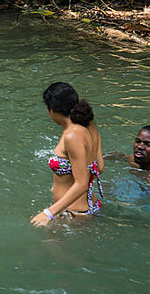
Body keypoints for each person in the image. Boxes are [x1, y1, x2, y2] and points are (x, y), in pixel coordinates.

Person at [31, 82, 104, 226]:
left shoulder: (72, 136)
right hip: (86, 207)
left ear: (51, 110)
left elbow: (82, 184)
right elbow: (100, 167)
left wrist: (49, 213)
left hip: (73, 214)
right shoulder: (89, 124)